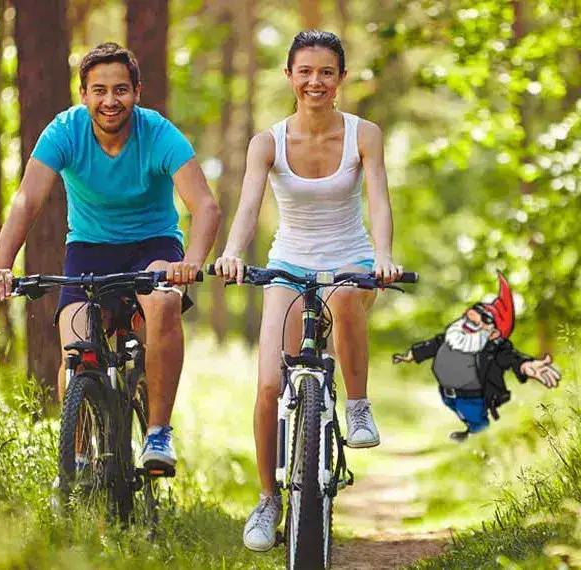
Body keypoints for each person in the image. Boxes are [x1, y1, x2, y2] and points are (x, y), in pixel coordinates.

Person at [0, 42, 220, 471]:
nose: (110, 100)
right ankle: (72, 466)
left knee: (163, 303)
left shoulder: (159, 133)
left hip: (154, 245)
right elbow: (26, 202)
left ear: (137, 91)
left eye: (121, 90)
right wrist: (2, 264)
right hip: (89, 250)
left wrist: (193, 262)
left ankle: (158, 433)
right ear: (83, 93)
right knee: (74, 350)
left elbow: (205, 206)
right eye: (99, 90)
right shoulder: (64, 131)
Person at [211, 30, 402, 552]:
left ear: (341, 78)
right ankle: (268, 499)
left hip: (352, 260)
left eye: (326, 72)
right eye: (305, 71)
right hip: (289, 265)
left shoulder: (365, 134)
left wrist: (382, 256)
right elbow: (249, 205)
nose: (315, 81)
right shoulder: (266, 142)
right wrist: (231, 250)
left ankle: (358, 405)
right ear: (289, 76)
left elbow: (380, 198)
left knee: (342, 293)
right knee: (270, 384)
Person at [393, 273, 561, 441]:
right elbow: (433, 345)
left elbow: (511, 357)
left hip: (471, 397)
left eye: (485, 318)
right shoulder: (453, 335)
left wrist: (525, 365)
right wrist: (411, 355)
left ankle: (480, 440)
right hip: (446, 393)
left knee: (477, 422)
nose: (474, 315)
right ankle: (472, 430)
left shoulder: (493, 348)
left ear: (494, 333)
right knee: (460, 411)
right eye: (476, 310)